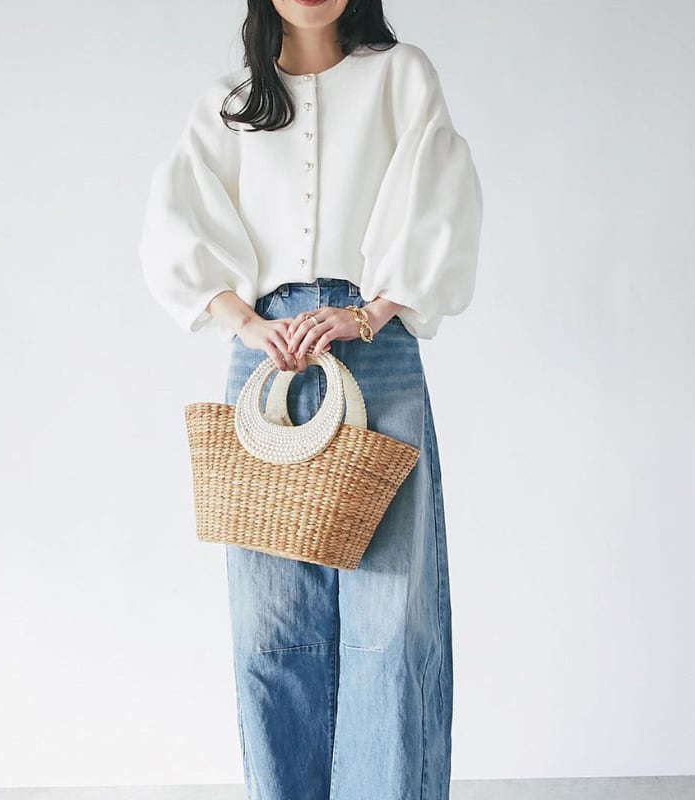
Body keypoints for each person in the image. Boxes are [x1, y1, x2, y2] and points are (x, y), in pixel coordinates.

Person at [138, 1, 483, 797]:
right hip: (265, 356)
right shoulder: (231, 104)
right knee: (270, 625)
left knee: (388, 622)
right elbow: (175, 224)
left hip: (374, 348)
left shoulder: (400, 76)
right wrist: (249, 323)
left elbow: (440, 199)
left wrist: (368, 313)